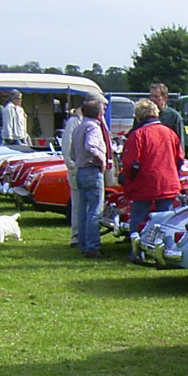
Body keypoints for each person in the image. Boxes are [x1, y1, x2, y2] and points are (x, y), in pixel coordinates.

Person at [120, 98, 183, 261]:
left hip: (145, 183)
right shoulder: (170, 133)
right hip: (167, 182)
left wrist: (126, 178)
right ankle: (166, 250)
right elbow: (180, 159)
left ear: (139, 116)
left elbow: (131, 163)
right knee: (166, 220)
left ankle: (137, 252)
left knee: (138, 218)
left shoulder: (138, 135)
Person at [69, 98, 110, 258]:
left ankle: (83, 243)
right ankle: (92, 246)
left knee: (82, 210)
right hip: (92, 170)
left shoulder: (78, 127)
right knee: (95, 210)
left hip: (80, 170)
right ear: (99, 114)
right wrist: (102, 160)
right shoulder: (93, 127)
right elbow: (90, 146)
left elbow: (72, 153)